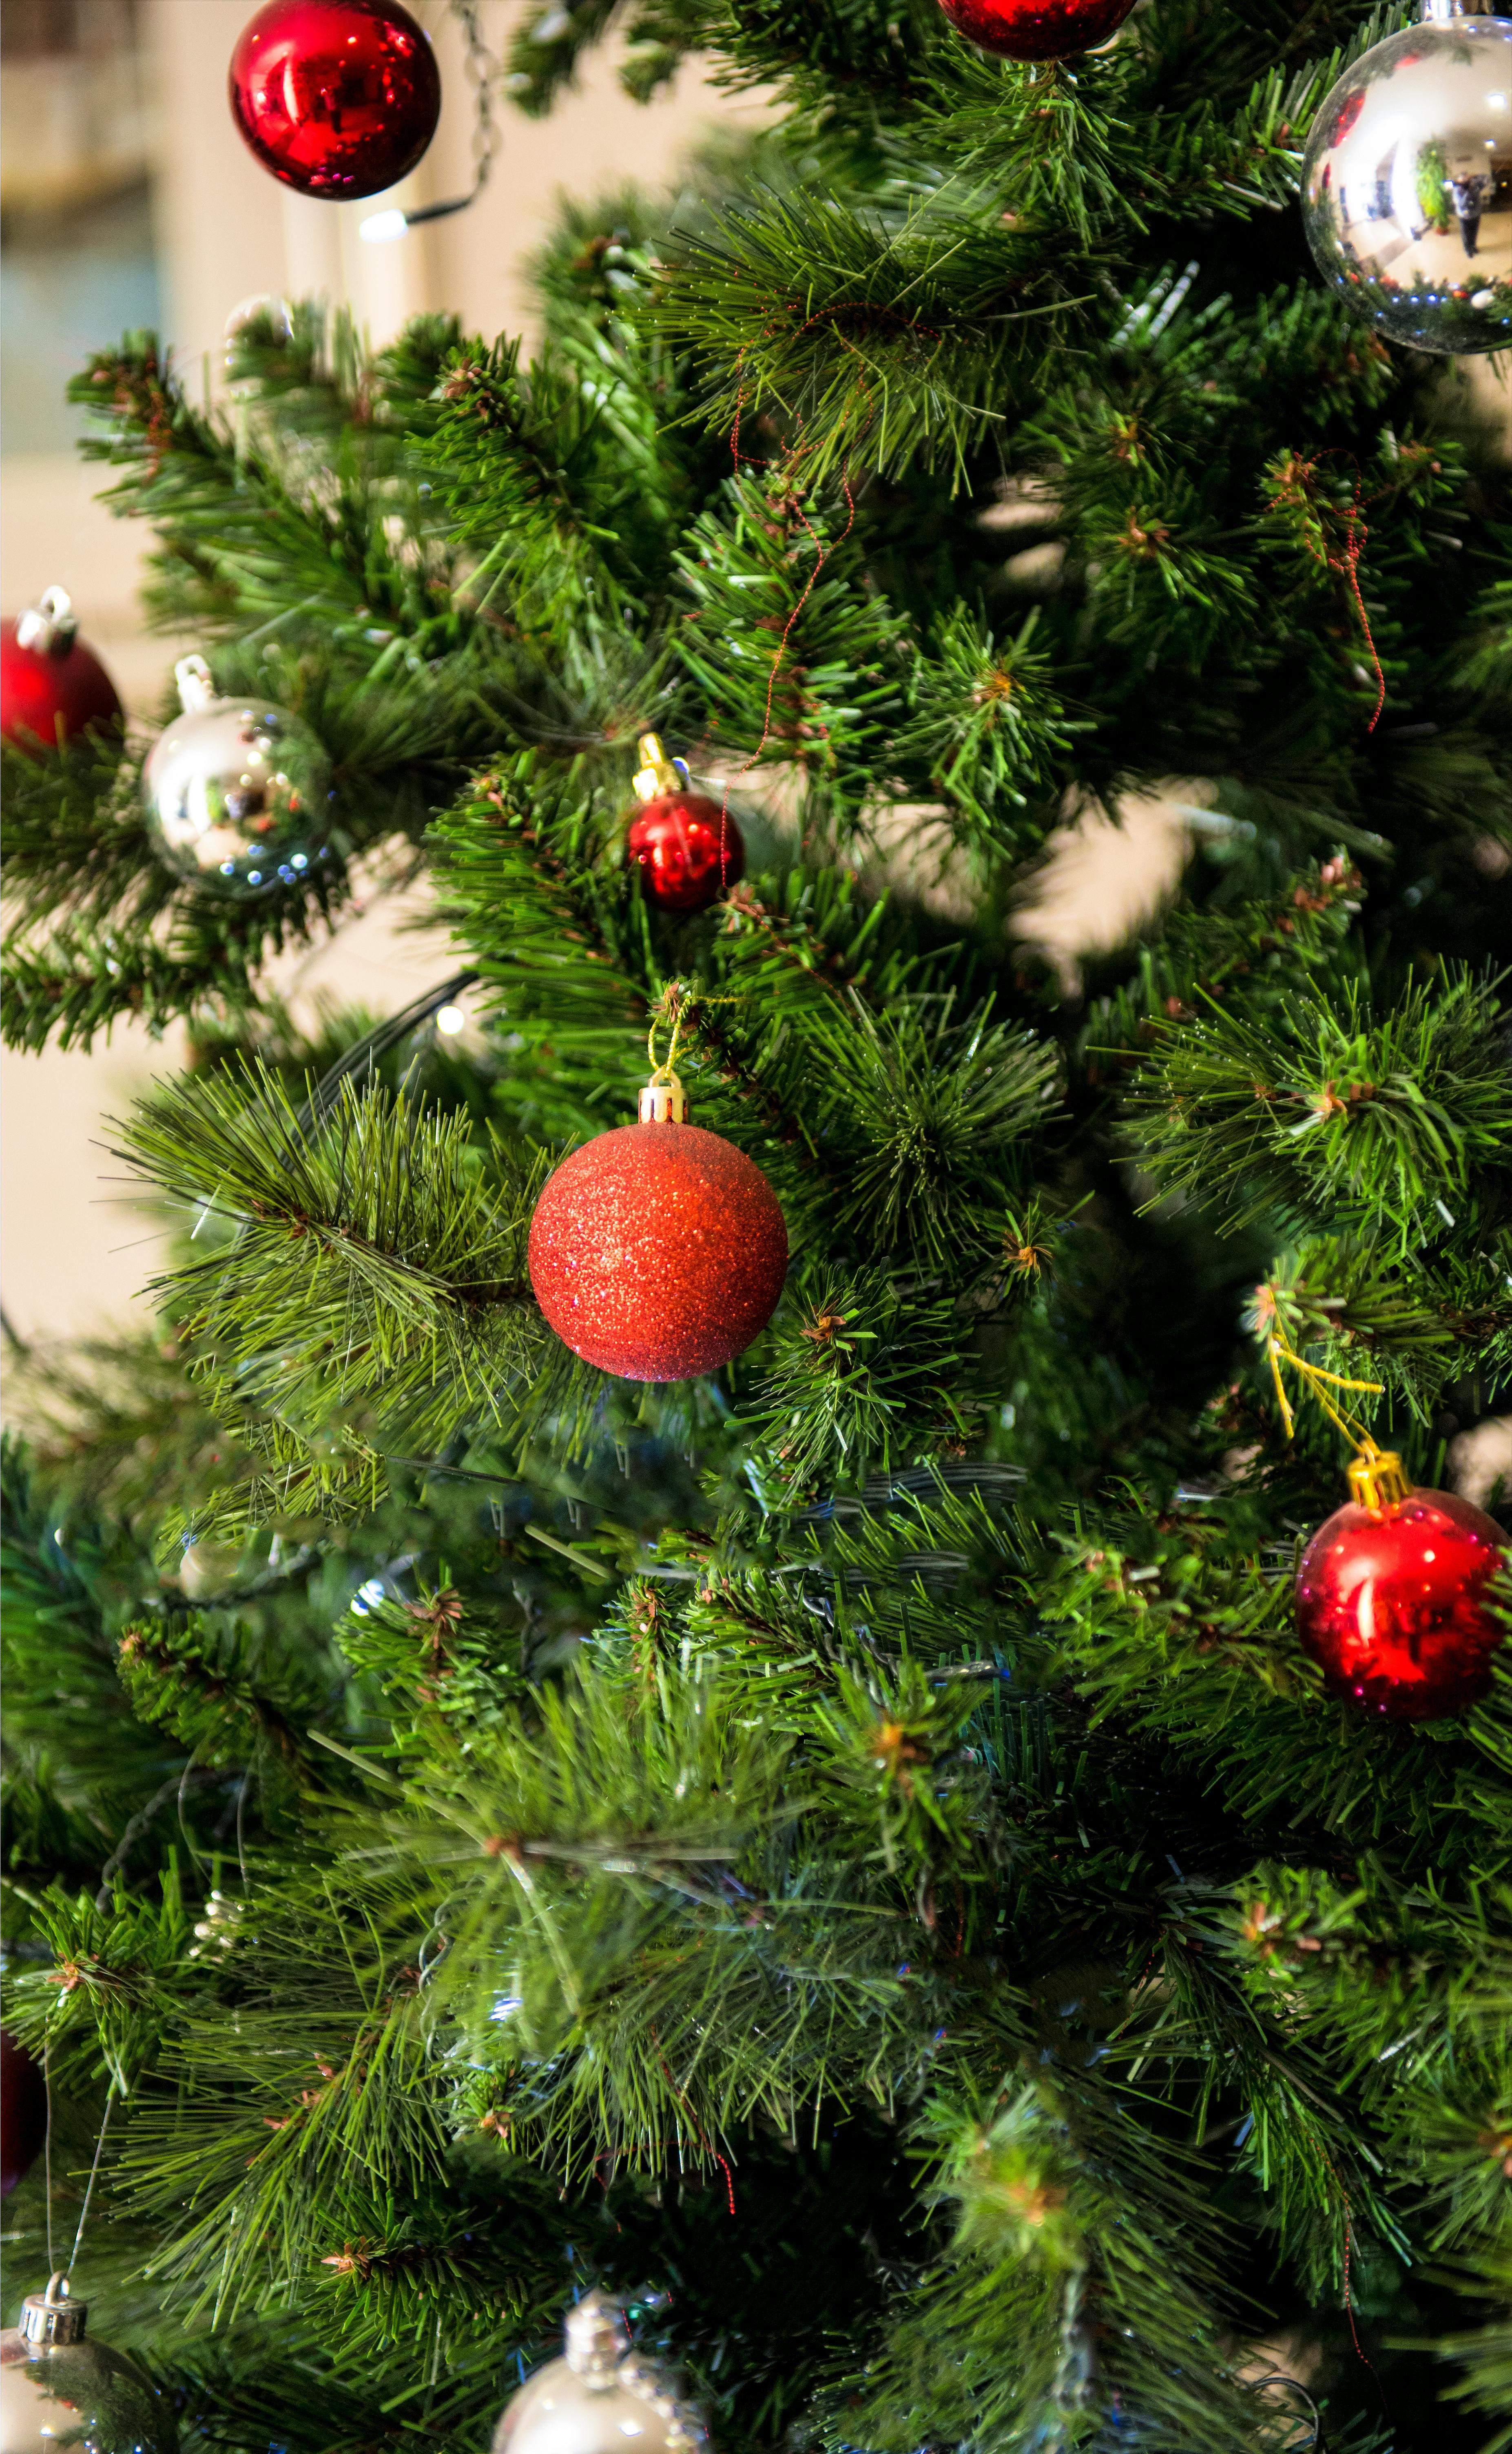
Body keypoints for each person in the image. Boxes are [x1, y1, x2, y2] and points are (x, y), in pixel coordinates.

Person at [1445, 169, 1488, 258]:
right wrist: (1466, 189)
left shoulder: (1475, 186)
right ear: (1460, 181)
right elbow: (1461, 204)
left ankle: (1473, 246)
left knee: (1474, 232)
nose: (1466, 182)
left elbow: (1487, 178)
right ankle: (1468, 250)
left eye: (1468, 180)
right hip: (1464, 216)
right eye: (1464, 180)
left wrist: (1473, 177)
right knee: (1466, 234)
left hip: (1475, 214)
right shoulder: (1457, 189)